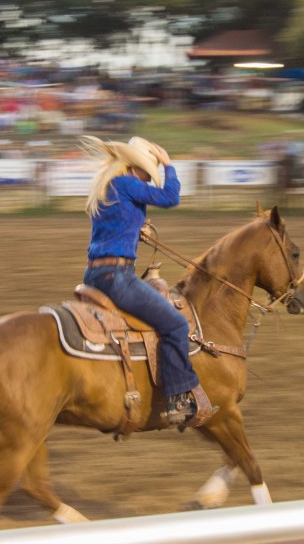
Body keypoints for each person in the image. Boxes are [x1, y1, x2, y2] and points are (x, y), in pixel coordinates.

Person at [79, 135, 217, 428]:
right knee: (176, 325)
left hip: (96, 273)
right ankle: (178, 398)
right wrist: (168, 165)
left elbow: (115, 224)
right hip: (118, 276)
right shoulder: (128, 184)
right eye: (147, 171)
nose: (148, 179)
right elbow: (171, 197)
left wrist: (135, 227)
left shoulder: (108, 185)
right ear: (133, 167)